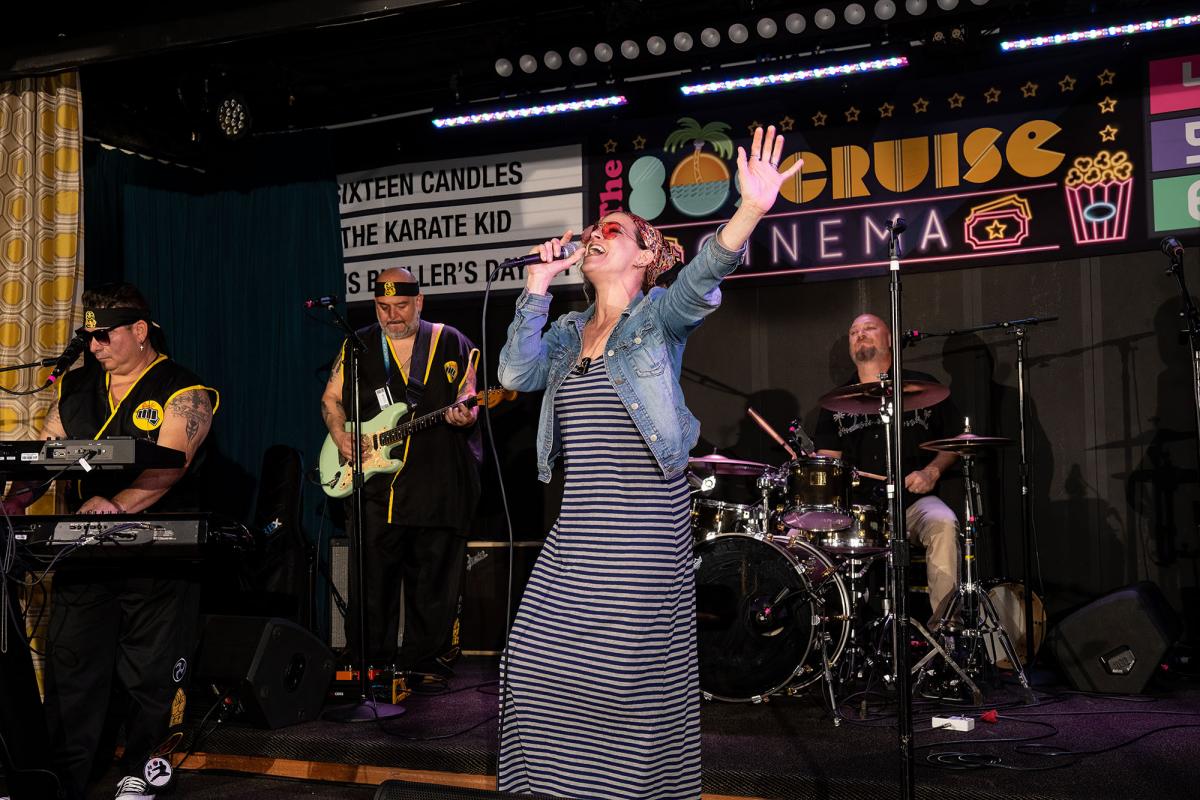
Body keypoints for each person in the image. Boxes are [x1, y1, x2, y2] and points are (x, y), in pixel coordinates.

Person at [496, 126, 801, 800]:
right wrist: (536, 286)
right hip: (579, 527)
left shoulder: (657, 317)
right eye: (591, 230)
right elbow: (515, 375)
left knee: (621, 680)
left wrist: (750, 209)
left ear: (642, 256)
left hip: (641, 526)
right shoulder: (567, 333)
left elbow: (702, 279)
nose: (593, 235)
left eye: (611, 228)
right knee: (530, 662)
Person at [2, 283, 217, 800]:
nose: (95, 346)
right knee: (73, 670)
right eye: (89, 337)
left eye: (105, 336)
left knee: (151, 675)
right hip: (85, 553)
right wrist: (13, 504)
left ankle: (143, 774)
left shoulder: (184, 390)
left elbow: (169, 468)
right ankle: (60, 782)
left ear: (140, 330)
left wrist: (114, 504)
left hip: (157, 557)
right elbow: (47, 457)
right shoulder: (75, 389)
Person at [320, 267, 481, 679]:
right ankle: (369, 664)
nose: (392, 315)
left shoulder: (450, 340)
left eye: (401, 306)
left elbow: (470, 395)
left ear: (419, 302)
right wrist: (339, 434)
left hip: (436, 483)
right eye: (383, 306)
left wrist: (466, 414)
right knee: (371, 584)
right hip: (375, 488)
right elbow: (331, 399)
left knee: (433, 581)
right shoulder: (358, 345)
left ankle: (424, 665)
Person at [812, 312, 962, 621]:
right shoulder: (835, 403)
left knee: (944, 523)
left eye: (869, 328)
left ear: (890, 339)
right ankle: (831, 631)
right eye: (854, 331)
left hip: (914, 502)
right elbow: (828, 462)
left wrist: (931, 471)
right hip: (857, 512)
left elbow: (954, 442)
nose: (860, 334)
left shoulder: (922, 388)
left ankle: (945, 630)